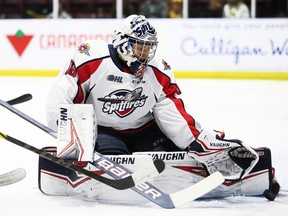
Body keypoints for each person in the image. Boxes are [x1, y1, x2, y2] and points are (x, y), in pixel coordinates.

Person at [46, 14, 265, 182]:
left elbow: (171, 112)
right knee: (112, 157)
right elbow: (63, 98)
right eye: (140, 46)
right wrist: (71, 139)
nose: (145, 53)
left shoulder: (158, 71)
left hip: (144, 130)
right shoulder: (91, 58)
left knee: (175, 153)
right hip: (104, 129)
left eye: (149, 48)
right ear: (123, 42)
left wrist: (198, 143)